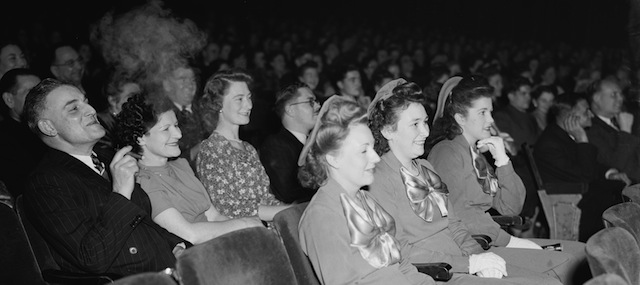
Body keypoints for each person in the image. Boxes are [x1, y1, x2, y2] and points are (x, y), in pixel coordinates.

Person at [367, 78, 571, 284]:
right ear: (387, 130)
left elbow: (455, 224)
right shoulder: (378, 178)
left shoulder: (425, 168)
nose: (426, 132)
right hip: (435, 272)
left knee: (551, 278)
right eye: (415, 125)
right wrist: (470, 264)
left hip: (462, 258)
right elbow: (399, 249)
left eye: (425, 122)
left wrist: (479, 257)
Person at [425, 76, 588, 284]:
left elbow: (511, 207)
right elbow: (459, 217)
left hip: (491, 240)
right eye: (482, 113)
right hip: (473, 248)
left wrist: (502, 159)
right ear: (460, 118)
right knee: (568, 265)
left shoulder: (475, 154)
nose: (491, 120)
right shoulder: (447, 154)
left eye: (490, 112)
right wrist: (510, 241)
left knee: (581, 251)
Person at [22, 78, 186, 276]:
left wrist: (176, 245)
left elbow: (143, 222)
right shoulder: (46, 182)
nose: (90, 109)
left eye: (86, 101)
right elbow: (92, 257)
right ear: (48, 127)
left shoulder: (107, 158)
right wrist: (121, 193)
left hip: (165, 269)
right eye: (74, 109)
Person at [298, 95, 434, 284]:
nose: (376, 158)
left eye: (372, 148)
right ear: (333, 158)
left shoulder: (365, 199)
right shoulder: (323, 216)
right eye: (364, 151)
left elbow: (402, 266)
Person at [114, 91, 264, 245]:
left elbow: (214, 216)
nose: (178, 134)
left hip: (219, 244)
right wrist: (245, 224)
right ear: (140, 138)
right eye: (166, 129)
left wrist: (247, 232)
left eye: (176, 125)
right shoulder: (143, 182)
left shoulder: (181, 165)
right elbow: (189, 234)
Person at [197, 69, 289, 222]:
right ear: (218, 104)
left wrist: (291, 210)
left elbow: (265, 198)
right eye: (239, 99)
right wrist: (286, 211)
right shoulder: (211, 149)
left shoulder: (248, 148)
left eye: (249, 97)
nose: (249, 105)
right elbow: (229, 209)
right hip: (245, 236)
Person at [534, 92, 628, 241]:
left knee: (625, 184)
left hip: (581, 195)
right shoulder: (550, 144)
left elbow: (590, 165)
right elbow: (585, 175)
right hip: (569, 202)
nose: (591, 115)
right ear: (569, 117)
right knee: (620, 193)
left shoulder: (562, 136)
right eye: (586, 111)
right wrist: (582, 140)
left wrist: (610, 173)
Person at [259, 82, 320, 203]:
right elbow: (289, 193)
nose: (318, 106)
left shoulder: (319, 141)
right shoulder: (276, 145)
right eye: (310, 102)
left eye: (316, 101)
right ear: (290, 110)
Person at [0, 68, 45, 198]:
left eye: (42, 91)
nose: (40, 98)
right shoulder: (4, 139)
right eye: (31, 92)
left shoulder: (50, 126)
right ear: (9, 99)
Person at [585, 78, 640, 183]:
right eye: (614, 95)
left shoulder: (622, 119)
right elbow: (615, 166)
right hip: (627, 190)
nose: (620, 98)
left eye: (620, 94)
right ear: (597, 98)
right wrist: (625, 131)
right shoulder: (591, 130)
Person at [162, 65, 209, 170]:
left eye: (192, 80)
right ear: (167, 85)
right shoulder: (161, 117)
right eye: (182, 80)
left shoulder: (204, 109)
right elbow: (166, 164)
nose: (190, 85)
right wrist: (198, 149)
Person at [95, 70, 141, 154]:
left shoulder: (138, 118)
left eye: (139, 95)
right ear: (112, 100)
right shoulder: (100, 123)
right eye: (131, 96)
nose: (137, 100)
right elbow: (107, 154)